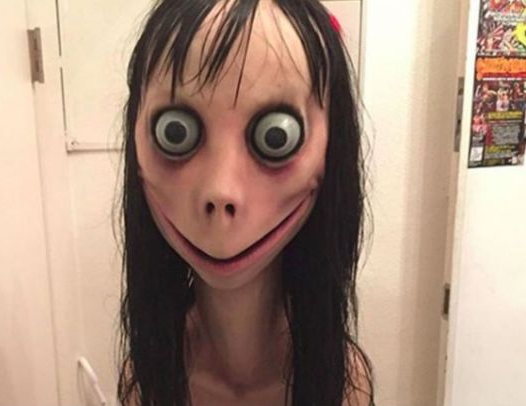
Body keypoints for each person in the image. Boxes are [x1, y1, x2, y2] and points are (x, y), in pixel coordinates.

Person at [116, 0, 375, 405]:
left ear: (332, 146)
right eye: (175, 133)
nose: (221, 191)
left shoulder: (344, 383)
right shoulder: (146, 380)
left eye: (276, 137)